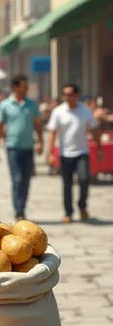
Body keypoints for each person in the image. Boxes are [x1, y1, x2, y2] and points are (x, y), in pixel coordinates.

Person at [46, 84, 103, 223]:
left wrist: (99, 148)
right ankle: (68, 212)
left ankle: (82, 206)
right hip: (65, 153)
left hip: (82, 152)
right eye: (65, 94)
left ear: (76, 95)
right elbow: (52, 132)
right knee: (67, 184)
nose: (67, 97)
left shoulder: (85, 111)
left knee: (84, 179)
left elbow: (94, 129)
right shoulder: (58, 111)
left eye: (70, 94)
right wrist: (50, 153)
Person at [0, 75, 43, 220]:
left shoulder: (32, 105)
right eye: (24, 86)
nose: (26, 89)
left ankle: (22, 207)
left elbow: (37, 124)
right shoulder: (5, 105)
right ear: (15, 87)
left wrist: (40, 141)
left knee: (26, 179)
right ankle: (18, 210)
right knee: (18, 179)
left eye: (27, 86)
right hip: (12, 147)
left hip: (29, 147)